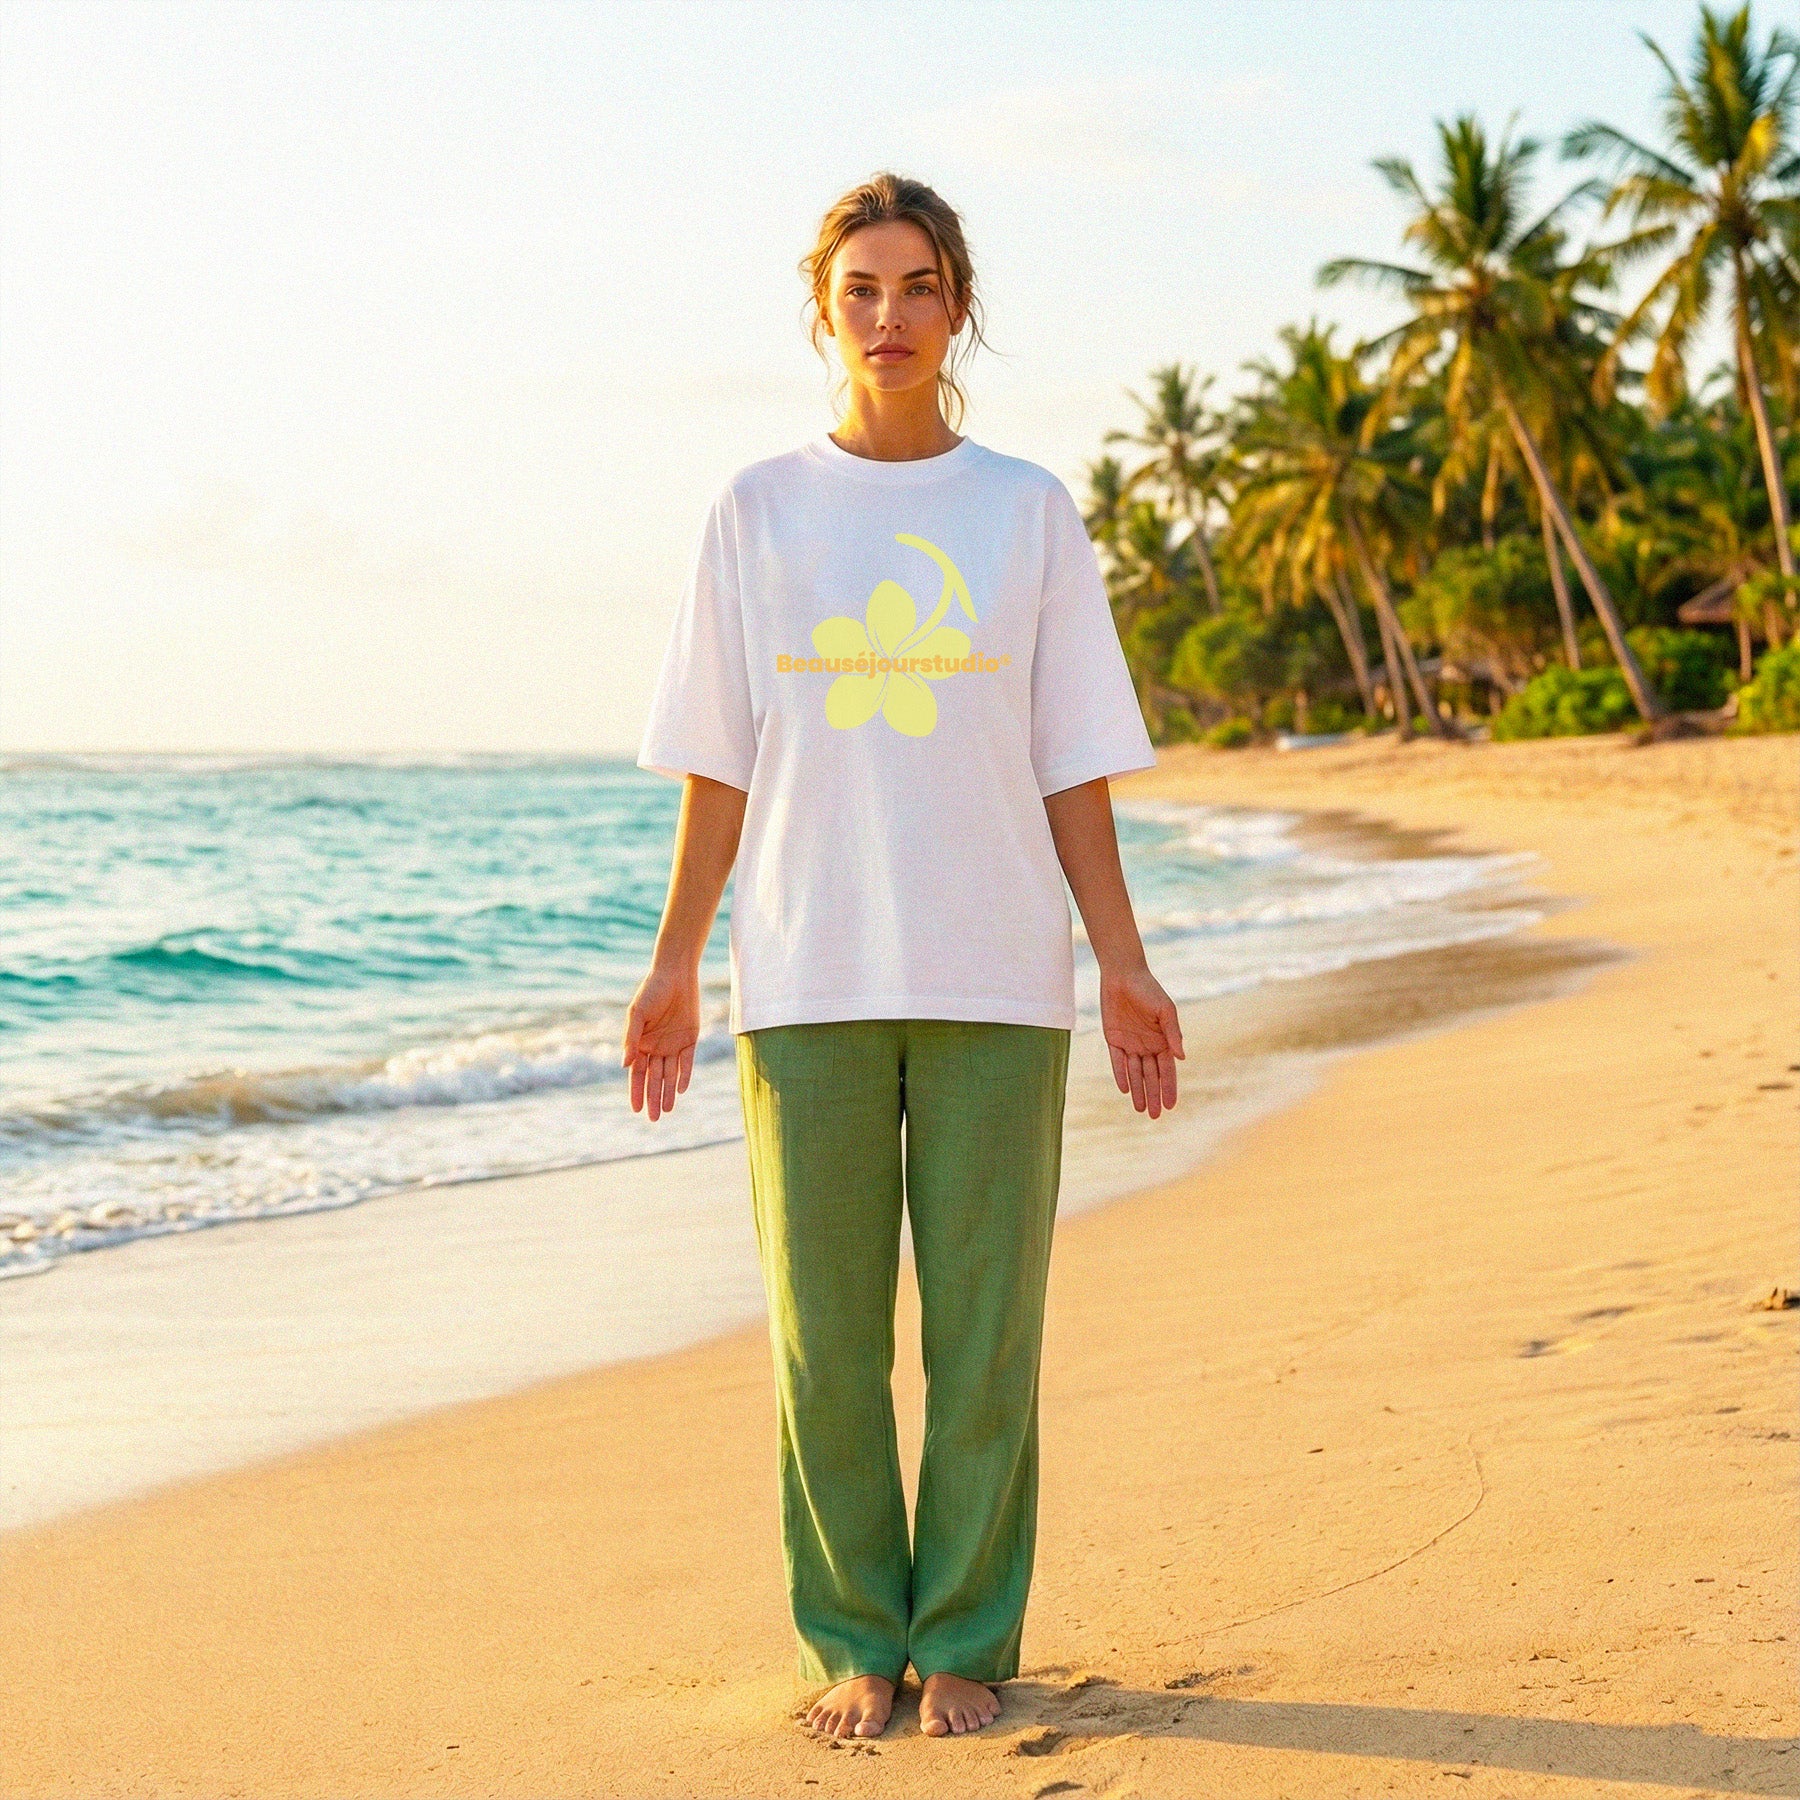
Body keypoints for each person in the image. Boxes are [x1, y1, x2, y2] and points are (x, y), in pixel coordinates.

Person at [622, 171, 1184, 1743]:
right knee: (826, 1342)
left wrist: (1123, 963)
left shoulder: (1025, 512)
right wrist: (674, 964)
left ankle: (967, 1636)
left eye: (919, 286)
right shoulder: (756, 511)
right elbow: (716, 766)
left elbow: (1074, 760)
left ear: (960, 310)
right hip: (802, 980)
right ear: (824, 309)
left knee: (988, 1334)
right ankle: (854, 1635)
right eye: (861, 289)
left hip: (1001, 976)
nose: (889, 316)